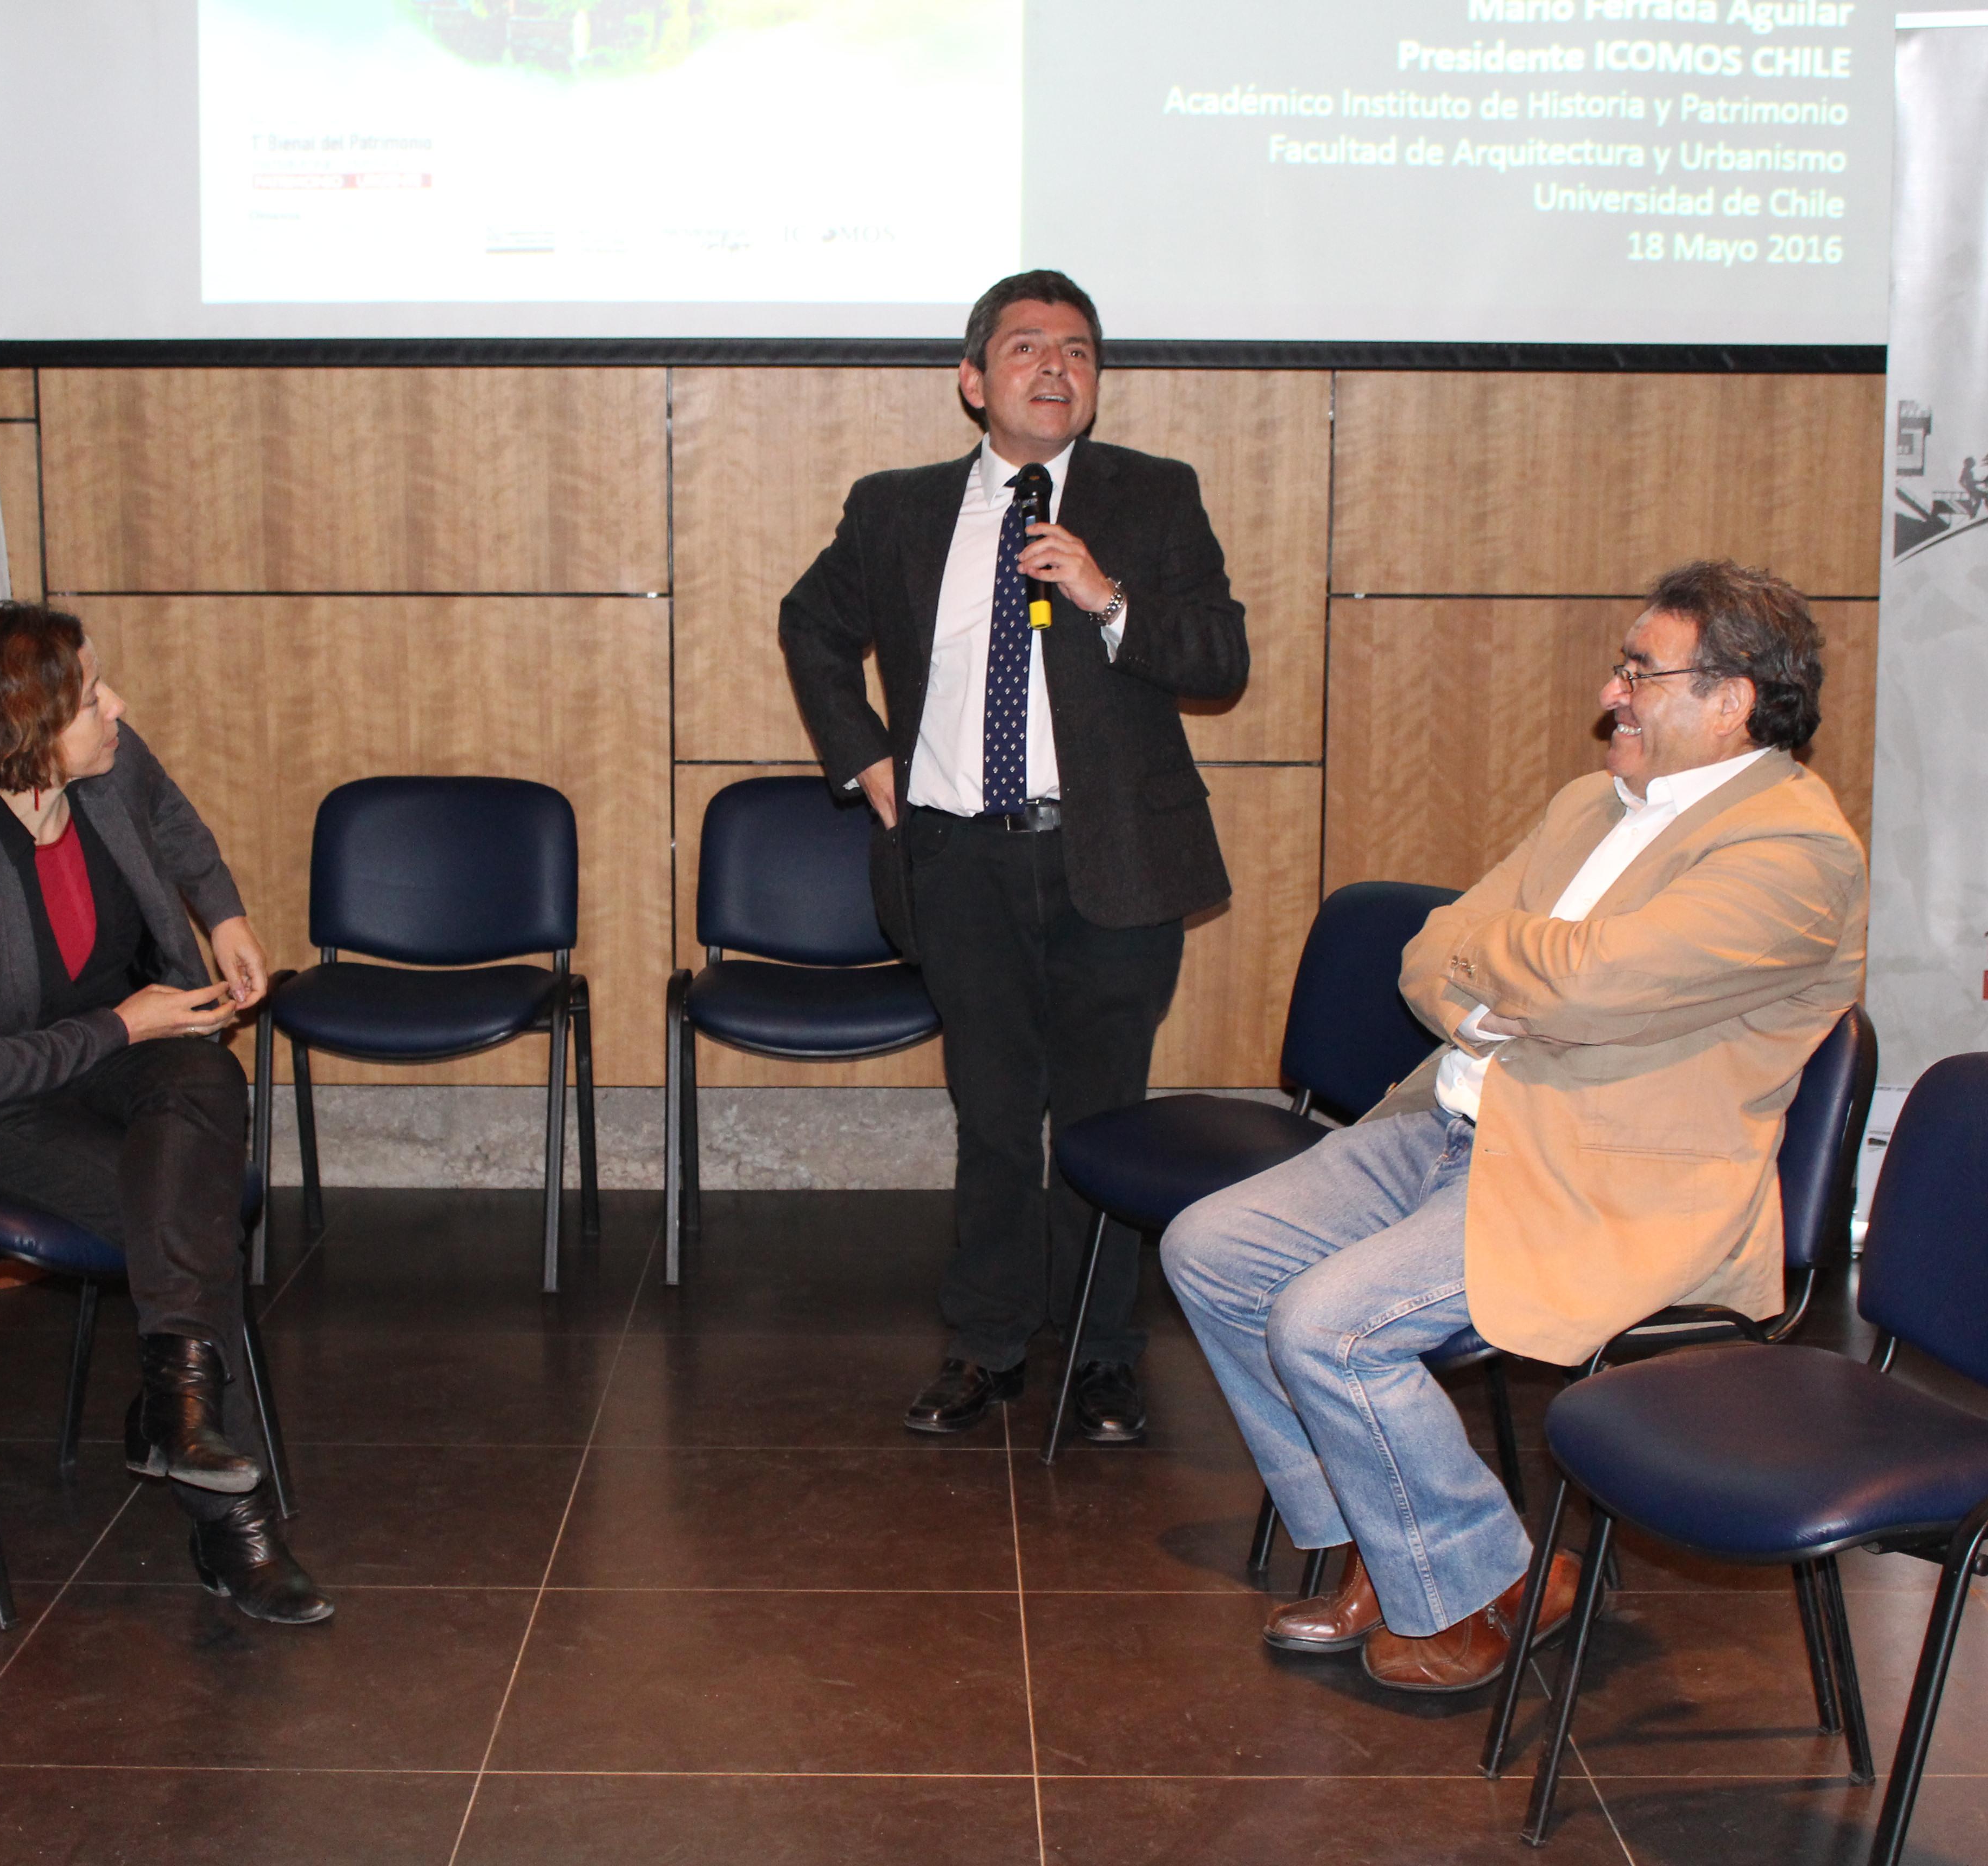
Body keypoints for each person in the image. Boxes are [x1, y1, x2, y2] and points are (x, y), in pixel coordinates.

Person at [1162, 560, 1863, 1692]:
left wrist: (1510, 970)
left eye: (1642, 669)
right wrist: (1520, 976)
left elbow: (1587, 985)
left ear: (1732, 699)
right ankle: (1404, 1558)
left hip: (1598, 1178)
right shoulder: (1594, 804)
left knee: (1328, 1328)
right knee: (1213, 1251)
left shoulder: (1794, 853)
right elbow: (1428, 951)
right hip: (1453, 1127)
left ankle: (1484, 1580)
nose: (1613, 692)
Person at [779, 270, 1249, 1441]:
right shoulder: (896, 507)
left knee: (1102, 1121)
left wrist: (1107, 596)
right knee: (992, 1117)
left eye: (1079, 351)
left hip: (1112, 864)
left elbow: (1219, 660)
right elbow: (812, 624)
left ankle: (1102, 1358)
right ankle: (985, 1348)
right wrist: (863, 760)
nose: (1056, 368)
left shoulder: (1154, 496)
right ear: (973, 379)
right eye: (1028, 347)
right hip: (957, 861)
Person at [0, 601, 330, 1625]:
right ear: (27, 736)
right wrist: (128, 1027)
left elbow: (173, 820)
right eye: (91, 698)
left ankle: (174, 1407)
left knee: (206, 1083)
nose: (116, 706)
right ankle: (232, 1523)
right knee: (182, 1209)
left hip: (82, 1056)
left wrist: (225, 917)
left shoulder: (109, 768)